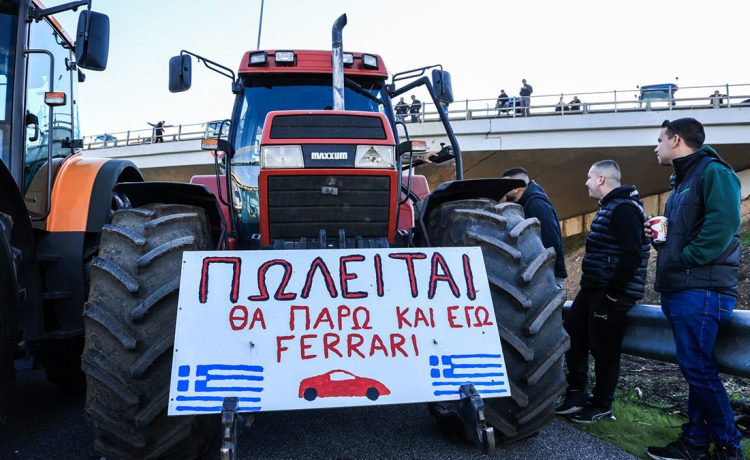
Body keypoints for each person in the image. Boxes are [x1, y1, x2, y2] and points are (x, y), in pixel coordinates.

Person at [645, 118, 743, 460]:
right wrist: (663, 241)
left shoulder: (714, 171)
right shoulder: (682, 183)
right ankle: (696, 443)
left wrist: (685, 257)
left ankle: (729, 447)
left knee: (698, 370)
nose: (655, 147)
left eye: (659, 140)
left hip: (701, 289)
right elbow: (690, 230)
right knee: (696, 368)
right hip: (684, 286)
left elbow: (723, 224)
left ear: (676, 140)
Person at [556, 160, 650, 423]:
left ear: (601, 180)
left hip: (610, 292)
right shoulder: (609, 208)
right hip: (593, 288)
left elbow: (632, 256)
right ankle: (577, 394)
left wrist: (613, 294)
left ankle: (602, 405)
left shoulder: (624, 210)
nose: (586, 182)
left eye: (589, 177)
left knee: (604, 349)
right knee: (572, 334)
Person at [502, 167, 567, 286]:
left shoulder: (536, 204)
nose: (503, 189)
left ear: (516, 188)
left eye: (505, 185)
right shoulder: (525, 204)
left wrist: (543, 270)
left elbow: (552, 240)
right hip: (540, 274)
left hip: (548, 276)